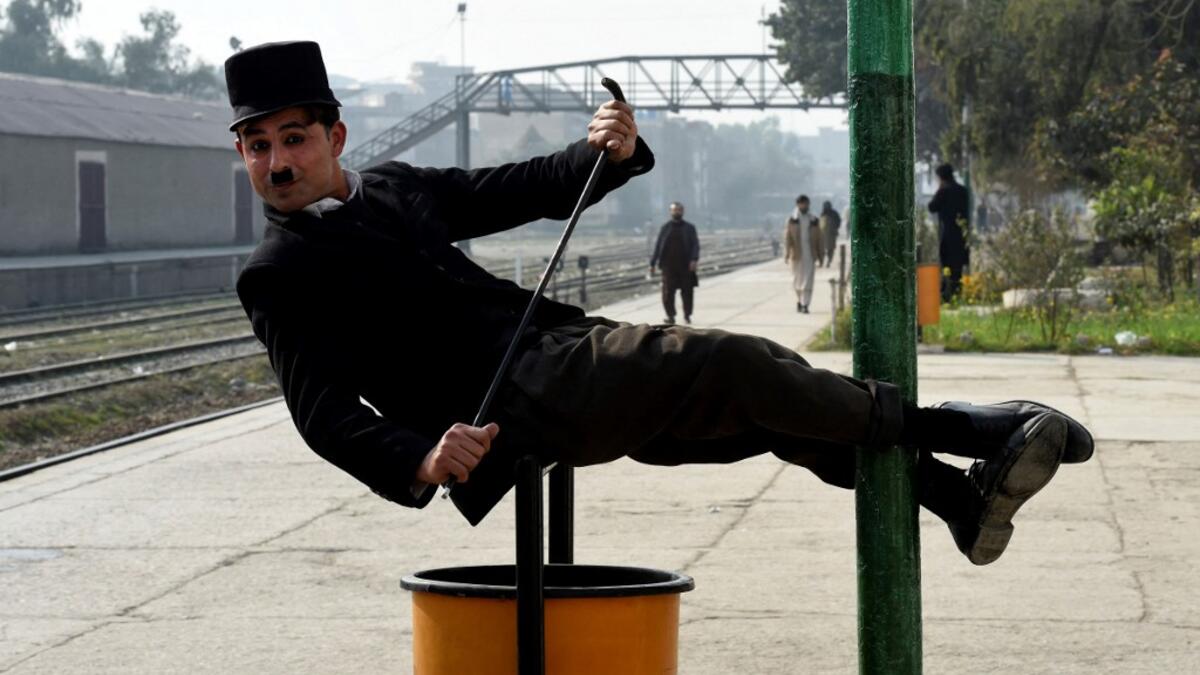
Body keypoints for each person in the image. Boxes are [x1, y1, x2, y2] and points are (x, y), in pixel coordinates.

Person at [230, 41, 1094, 567]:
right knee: (720, 359)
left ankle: (953, 500)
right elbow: (323, 414)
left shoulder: (393, 187)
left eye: (293, 139)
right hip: (514, 409)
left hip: (559, 351)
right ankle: (964, 431)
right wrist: (422, 457)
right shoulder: (277, 274)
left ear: (334, 137)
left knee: (765, 407)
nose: (276, 164)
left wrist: (605, 149)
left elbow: (518, 186)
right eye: (258, 146)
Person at [650, 201, 700, 324]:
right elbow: (658, 246)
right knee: (667, 293)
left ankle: (687, 315)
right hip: (668, 266)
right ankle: (670, 316)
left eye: (679, 210)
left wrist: (694, 259)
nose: (676, 212)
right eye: (674, 210)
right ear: (670, 212)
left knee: (687, 292)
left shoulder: (689, 228)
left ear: (682, 211)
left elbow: (695, 245)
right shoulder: (665, 228)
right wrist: (652, 263)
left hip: (685, 266)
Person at [928, 163, 970, 302]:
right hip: (961, 233)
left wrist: (939, 189)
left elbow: (932, 207)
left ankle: (947, 294)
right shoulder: (962, 190)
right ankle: (956, 292)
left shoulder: (943, 191)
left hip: (947, 234)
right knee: (957, 266)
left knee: (946, 265)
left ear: (941, 177)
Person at [784, 195, 822, 313]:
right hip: (796, 255)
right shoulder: (792, 220)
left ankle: (805, 304)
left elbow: (819, 239)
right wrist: (786, 253)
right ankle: (800, 301)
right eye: (802, 204)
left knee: (808, 280)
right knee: (797, 281)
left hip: (810, 254)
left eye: (806, 204)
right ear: (798, 205)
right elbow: (787, 238)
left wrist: (821, 255)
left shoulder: (814, 220)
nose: (804, 206)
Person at [820, 200, 841, 266]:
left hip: (831, 234)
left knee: (830, 248)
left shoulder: (834, 213)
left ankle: (828, 261)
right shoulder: (823, 213)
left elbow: (838, 222)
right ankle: (823, 261)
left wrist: (835, 228)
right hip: (824, 234)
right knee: (823, 248)